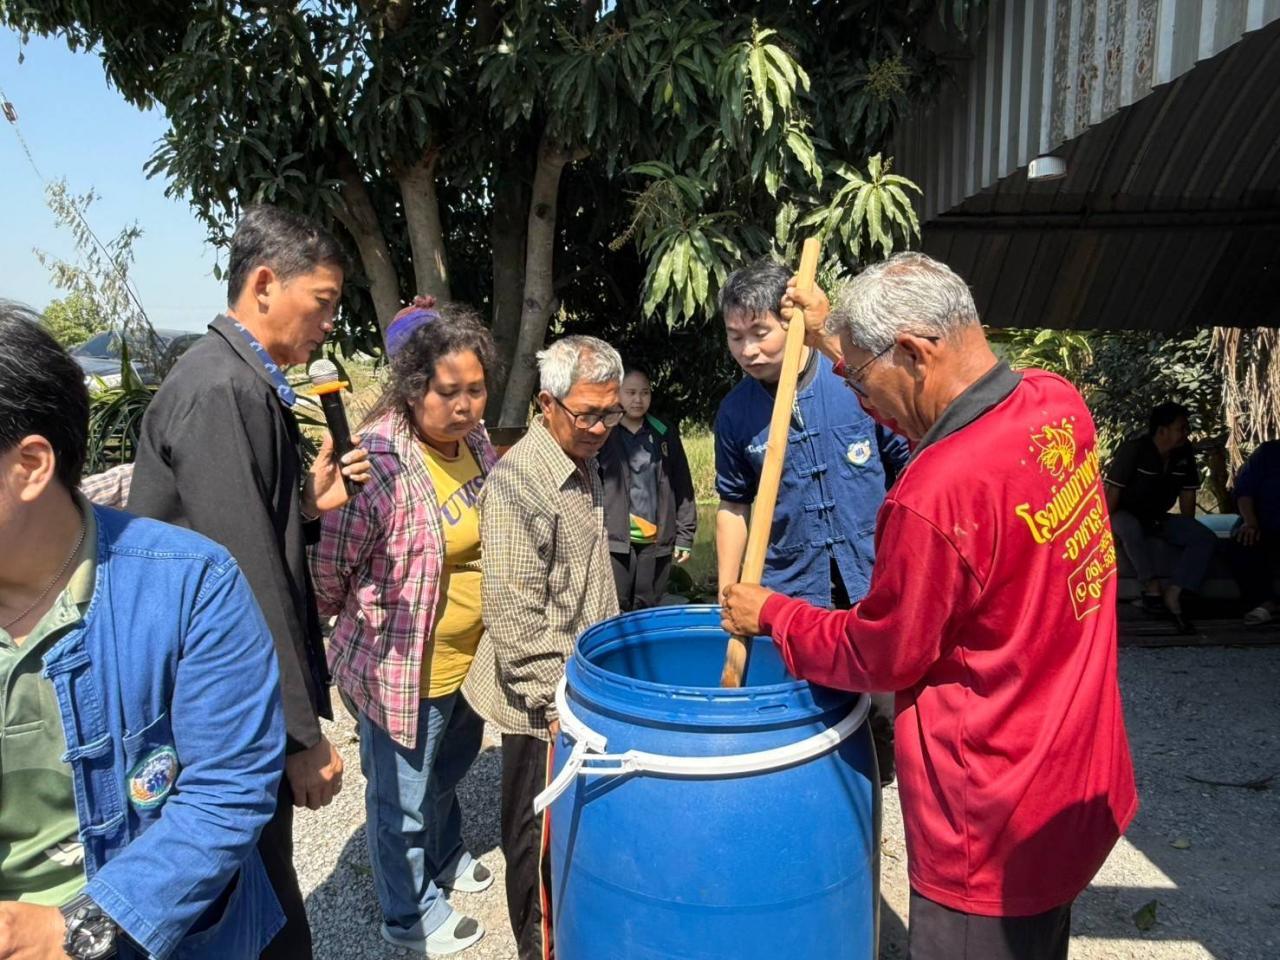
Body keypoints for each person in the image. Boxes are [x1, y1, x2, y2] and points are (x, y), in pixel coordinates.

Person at [721, 253, 1137, 960]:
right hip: (1069, 779)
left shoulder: (933, 497)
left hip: (990, 811)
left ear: (914, 351)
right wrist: (828, 336)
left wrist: (775, 615)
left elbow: (881, 654)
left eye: (864, 379)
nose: (861, 402)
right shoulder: (1053, 402)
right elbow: (947, 416)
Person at [0, 304, 286, 959]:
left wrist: (71, 927)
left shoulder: (191, 583)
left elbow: (229, 785)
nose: (327, 322)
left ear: (31, 465)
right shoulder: (215, 387)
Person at [127, 205, 371, 960]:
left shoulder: (242, 384)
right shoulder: (221, 390)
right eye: (323, 303)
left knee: (256, 896)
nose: (329, 325)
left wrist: (307, 505)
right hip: (214, 704)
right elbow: (246, 575)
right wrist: (298, 735)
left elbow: (242, 534)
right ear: (265, 284)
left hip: (227, 693)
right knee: (249, 910)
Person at [309, 299, 499, 956]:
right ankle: (407, 910)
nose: (467, 405)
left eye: (476, 389)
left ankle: (443, 860)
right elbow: (327, 571)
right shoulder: (379, 461)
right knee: (401, 801)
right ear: (415, 388)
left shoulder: (473, 444)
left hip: (468, 664)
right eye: (450, 392)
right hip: (402, 669)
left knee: (447, 772)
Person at [714, 258, 908, 782]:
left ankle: (881, 778)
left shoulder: (854, 386)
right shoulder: (734, 415)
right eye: (735, 337)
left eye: (760, 333)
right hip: (794, 588)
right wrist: (728, 586)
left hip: (872, 574)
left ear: (791, 321)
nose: (748, 350)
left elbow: (908, 470)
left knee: (888, 707)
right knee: (811, 713)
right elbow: (734, 505)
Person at [463, 335, 624, 960]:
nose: (603, 427)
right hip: (542, 703)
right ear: (545, 404)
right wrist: (553, 700)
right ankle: (538, 949)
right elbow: (512, 613)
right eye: (588, 413)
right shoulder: (519, 483)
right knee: (535, 838)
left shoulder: (580, 455)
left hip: (580, 686)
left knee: (574, 834)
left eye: (610, 412)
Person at [1105, 402, 1217, 632]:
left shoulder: (1184, 454)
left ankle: (1176, 592)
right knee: (1129, 527)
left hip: (1157, 517)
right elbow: (1113, 492)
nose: (1186, 434)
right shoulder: (1134, 449)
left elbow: (1188, 494)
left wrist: (1188, 525)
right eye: (1181, 428)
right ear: (1162, 430)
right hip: (1123, 513)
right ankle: (1151, 586)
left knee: (1204, 537)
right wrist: (1102, 529)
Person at [598, 364, 697, 610]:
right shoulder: (603, 431)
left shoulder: (663, 433)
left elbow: (681, 484)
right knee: (615, 606)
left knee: (648, 606)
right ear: (618, 393)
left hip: (656, 539)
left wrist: (685, 534)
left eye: (644, 393)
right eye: (630, 392)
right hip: (615, 540)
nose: (638, 399)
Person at [1227, 439, 1280, 625]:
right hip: (1263, 525)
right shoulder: (1268, 452)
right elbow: (1244, 491)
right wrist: (1250, 522)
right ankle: (1265, 604)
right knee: (1242, 541)